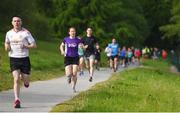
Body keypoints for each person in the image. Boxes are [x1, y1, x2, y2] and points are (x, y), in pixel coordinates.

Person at [4, 16, 37, 108]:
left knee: (25, 79)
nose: (16, 23)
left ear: (21, 22)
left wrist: (26, 46)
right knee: (16, 79)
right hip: (13, 58)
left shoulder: (26, 33)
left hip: (24, 59)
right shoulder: (9, 33)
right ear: (12, 23)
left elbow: (34, 45)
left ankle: (25, 81)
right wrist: (6, 46)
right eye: (15, 21)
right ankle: (17, 100)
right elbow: (6, 42)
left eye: (18, 21)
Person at [60, 27, 82, 92]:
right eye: (71, 31)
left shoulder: (78, 40)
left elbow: (82, 46)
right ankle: (69, 77)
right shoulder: (66, 39)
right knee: (68, 74)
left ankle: (73, 87)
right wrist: (62, 51)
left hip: (75, 57)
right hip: (68, 57)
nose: (73, 32)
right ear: (69, 32)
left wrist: (83, 47)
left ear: (75, 32)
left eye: (74, 31)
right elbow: (61, 46)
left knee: (74, 73)